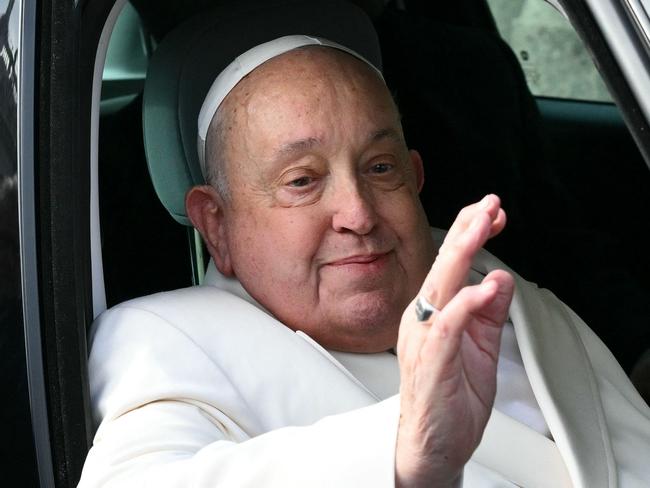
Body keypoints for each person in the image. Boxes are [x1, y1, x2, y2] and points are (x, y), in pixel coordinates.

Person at [78, 36, 650, 487]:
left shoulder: (492, 284)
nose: (357, 213)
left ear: (417, 178)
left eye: (380, 168)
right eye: (302, 181)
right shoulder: (166, 339)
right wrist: (402, 454)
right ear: (216, 224)